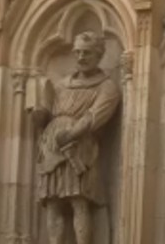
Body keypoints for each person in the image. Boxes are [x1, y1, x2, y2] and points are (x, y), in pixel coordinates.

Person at [31, 32, 120, 244]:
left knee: (78, 200)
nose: (81, 57)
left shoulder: (107, 87)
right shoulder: (61, 84)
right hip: (52, 144)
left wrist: (71, 134)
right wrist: (40, 115)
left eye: (87, 53)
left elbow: (95, 116)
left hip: (79, 147)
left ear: (98, 55)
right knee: (52, 201)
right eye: (78, 52)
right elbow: (50, 112)